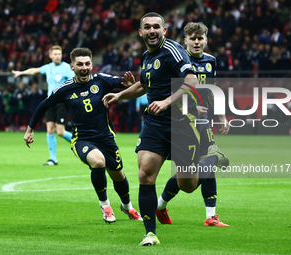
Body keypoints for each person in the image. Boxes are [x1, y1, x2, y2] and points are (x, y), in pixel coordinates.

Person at [103, 12, 209, 246]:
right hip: (155, 123)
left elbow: (191, 81)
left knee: (187, 185)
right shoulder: (146, 57)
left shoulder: (173, 51)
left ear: (164, 31)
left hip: (182, 123)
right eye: (147, 27)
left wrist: (166, 101)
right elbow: (144, 84)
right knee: (145, 174)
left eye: (156, 27)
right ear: (140, 32)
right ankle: (150, 233)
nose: (152, 31)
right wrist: (119, 95)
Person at [24, 47, 142, 223]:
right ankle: (105, 206)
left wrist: (130, 82)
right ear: (72, 67)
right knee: (98, 161)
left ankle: (128, 206)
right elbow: (44, 105)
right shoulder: (64, 89)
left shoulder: (101, 80)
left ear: (92, 65)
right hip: (82, 139)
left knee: (118, 175)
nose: (84, 67)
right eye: (80, 64)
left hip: (106, 137)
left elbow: (124, 83)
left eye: (87, 64)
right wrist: (30, 129)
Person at [156, 22, 230, 228]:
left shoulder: (211, 62)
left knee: (207, 163)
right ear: (185, 40)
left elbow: (211, 90)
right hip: (181, 122)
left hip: (203, 122)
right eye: (192, 38)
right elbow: (169, 92)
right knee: (188, 174)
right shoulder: (178, 61)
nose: (196, 42)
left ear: (206, 40)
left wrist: (222, 116)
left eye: (200, 38)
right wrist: (189, 107)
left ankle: (211, 216)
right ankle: (159, 205)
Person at [12, 45, 74, 166]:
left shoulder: (67, 68)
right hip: (50, 102)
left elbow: (74, 82)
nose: (57, 56)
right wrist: (21, 72)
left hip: (62, 102)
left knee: (60, 131)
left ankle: (81, 143)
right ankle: (53, 159)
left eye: (59, 54)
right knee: (50, 129)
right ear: (50, 56)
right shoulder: (48, 67)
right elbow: (33, 70)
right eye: (55, 54)